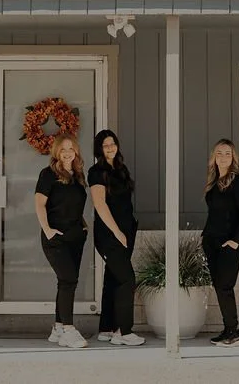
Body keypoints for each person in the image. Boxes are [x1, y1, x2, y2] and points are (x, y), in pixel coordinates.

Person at [88, 129, 145, 346]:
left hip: (126, 232)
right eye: (105, 145)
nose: (110, 148)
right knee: (127, 279)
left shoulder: (121, 169)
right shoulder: (96, 172)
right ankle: (124, 331)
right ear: (99, 149)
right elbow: (100, 204)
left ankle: (107, 328)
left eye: (112, 143)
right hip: (109, 235)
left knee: (113, 277)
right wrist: (117, 232)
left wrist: (126, 231)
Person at [35, 134, 89, 348]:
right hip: (56, 237)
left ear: (76, 151)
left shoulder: (78, 175)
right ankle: (68, 330)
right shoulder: (48, 174)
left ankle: (58, 328)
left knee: (65, 281)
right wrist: (47, 230)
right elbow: (39, 204)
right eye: (63, 149)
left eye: (71, 148)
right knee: (69, 280)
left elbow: (75, 204)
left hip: (76, 236)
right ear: (56, 151)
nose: (67, 153)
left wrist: (83, 225)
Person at [202, 138, 239, 347]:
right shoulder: (214, 181)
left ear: (233, 158)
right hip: (212, 242)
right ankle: (228, 329)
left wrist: (235, 241)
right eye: (219, 153)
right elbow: (214, 214)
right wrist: (205, 237)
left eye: (227, 153)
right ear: (214, 157)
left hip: (230, 243)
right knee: (219, 286)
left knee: (225, 286)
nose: (223, 157)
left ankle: (234, 332)